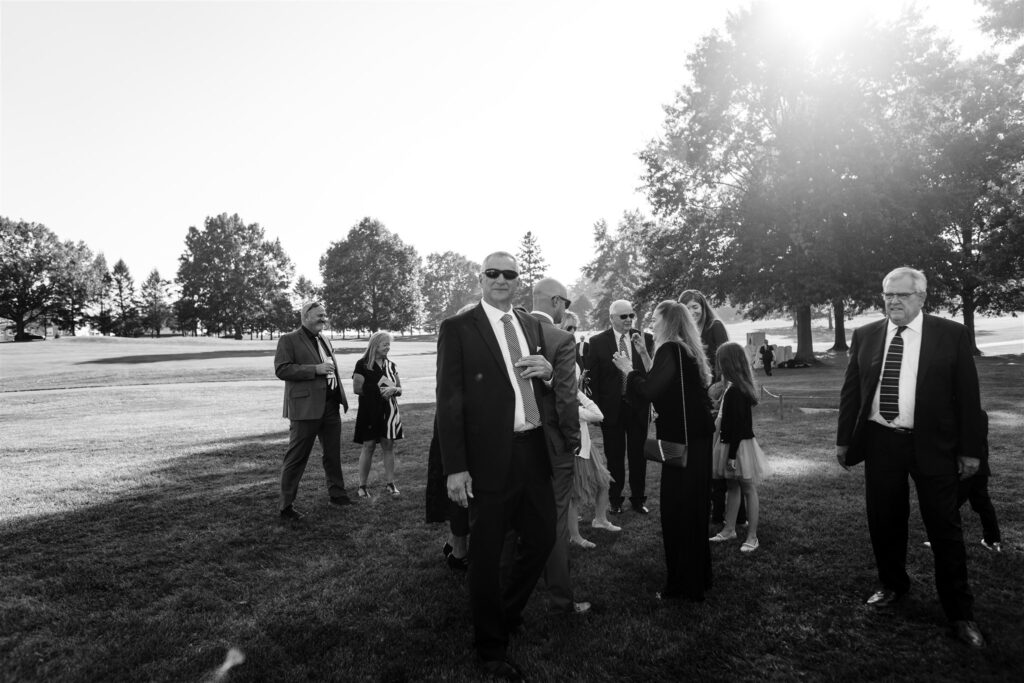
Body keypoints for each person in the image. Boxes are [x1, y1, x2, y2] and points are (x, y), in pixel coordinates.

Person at [836, 267, 987, 649]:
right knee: (884, 520)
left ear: (922, 297)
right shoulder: (866, 334)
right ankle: (892, 585)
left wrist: (970, 451)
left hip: (934, 447)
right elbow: (851, 393)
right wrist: (843, 441)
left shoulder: (950, 334)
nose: (893, 301)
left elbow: (969, 399)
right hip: (881, 442)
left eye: (902, 295)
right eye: (888, 295)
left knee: (944, 527)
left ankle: (959, 612)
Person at [436, 251, 557, 680]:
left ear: (517, 279)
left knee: (542, 538)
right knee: (485, 556)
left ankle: (504, 611)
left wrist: (548, 373)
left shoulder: (528, 323)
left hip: (531, 450)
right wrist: (455, 467)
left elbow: (544, 382)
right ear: (481, 278)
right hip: (487, 460)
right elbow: (448, 402)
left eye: (510, 274)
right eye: (493, 273)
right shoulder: (457, 328)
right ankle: (491, 649)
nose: (502, 279)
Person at [613, 300, 715, 602]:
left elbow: (647, 390)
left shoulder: (671, 349)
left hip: (681, 446)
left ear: (668, 321)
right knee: (695, 511)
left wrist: (628, 370)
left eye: (655, 319)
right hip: (697, 442)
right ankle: (699, 576)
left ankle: (683, 586)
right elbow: (666, 384)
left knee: (678, 513)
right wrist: (645, 356)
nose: (651, 324)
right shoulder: (686, 349)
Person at [529, 278, 588, 615]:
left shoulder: (508, 333)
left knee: (512, 522)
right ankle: (561, 599)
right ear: (555, 302)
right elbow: (566, 399)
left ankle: (508, 597)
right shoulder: (560, 338)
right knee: (555, 520)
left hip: (512, 443)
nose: (566, 309)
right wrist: (573, 440)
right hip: (553, 445)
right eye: (565, 302)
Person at [273, 301, 352, 519]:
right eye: (319, 315)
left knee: (333, 454)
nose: (323, 318)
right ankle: (285, 506)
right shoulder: (288, 339)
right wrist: (314, 370)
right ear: (306, 316)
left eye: (325, 315)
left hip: (330, 406)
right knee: (297, 457)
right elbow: (282, 369)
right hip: (305, 408)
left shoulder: (325, 339)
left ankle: (337, 494)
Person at [679, 288, 744, 527]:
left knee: (721, 454)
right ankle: (716, 510)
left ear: (703, 307)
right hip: (697, 397)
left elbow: (725, 361)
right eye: (687, 307)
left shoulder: (714, 326)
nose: (692, 311)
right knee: (707, 457)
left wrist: (716, 391)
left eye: (696, 306)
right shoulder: (685, 332)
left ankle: (733, 513)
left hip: (716, 396)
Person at [586, 300, 655, 514]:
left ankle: (638, 500)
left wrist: (650, 404)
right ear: (612, 318)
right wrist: (595, 410)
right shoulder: (597, 342)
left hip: (638, 407)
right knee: (614, 456)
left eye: (631, 315)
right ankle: (615, 500)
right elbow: (593, 380)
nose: (628, 320)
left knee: (638, 456)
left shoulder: (645, 339)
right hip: (611, 409)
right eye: (623, 316)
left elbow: (650, 374)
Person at [425, 303, 478, 571]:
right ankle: (459, 552)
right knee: (462, 496)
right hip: (457, 434)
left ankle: (454, 543)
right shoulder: (458, 348)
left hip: (467, 433)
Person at [562, 316, 619, 548]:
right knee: (574, 493)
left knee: (603, 480)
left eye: (574, 328)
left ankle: (600, 519)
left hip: (583, 433)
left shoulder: (573, 361)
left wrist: (582, 402)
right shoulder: (555, 358)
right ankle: (574, 536)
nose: (572, 332)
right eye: (568, 328)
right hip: (570, 435)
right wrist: (582, 411)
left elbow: (575, 391)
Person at [709, 342, 769, 553]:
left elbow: (739, 426)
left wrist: (732, 455)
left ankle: (752, 536)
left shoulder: (736, 391)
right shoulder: (733, 388)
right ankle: (729, 529)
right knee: (732, 487)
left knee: (748, 488)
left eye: (719, 361)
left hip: (739, 447)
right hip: (730, 444)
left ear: (727, 363)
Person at [352, 331, 403, 498]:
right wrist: (382, 388)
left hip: (389, 412)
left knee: (388, 446)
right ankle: (362, 486)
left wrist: (394, 389)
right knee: (369, 446)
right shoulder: (362, 364)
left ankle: (390, 483)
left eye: (389, 344)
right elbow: (357, 388)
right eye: (385, 344)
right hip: (369, 411)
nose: (388, 347)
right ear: (375, 345)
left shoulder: (391, 365)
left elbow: (399, 389)